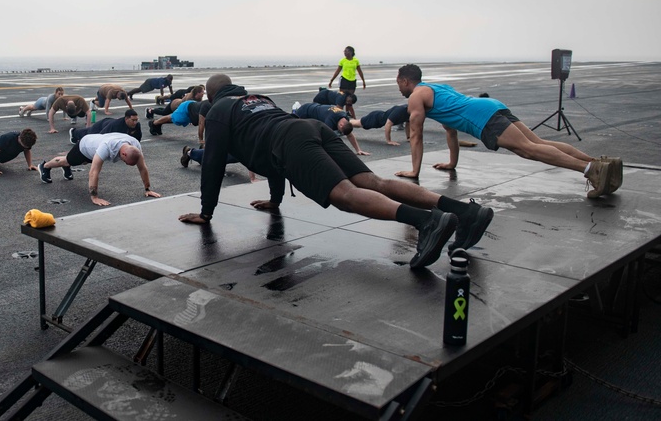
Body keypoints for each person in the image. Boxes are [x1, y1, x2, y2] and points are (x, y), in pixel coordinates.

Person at [179, 74, 496, 270]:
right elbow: (269, 153)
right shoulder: (258, 99)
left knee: (346, 195)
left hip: (289, 140)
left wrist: (206, 213)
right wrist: (275, 199)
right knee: (372, 182)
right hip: (312, 127)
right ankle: (464, 214)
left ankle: (427, 222)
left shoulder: (219, 109)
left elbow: (213, 162)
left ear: (209, 94)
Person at [395, 64, 621, 198]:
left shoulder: (416, 97)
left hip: (483, 117)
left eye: (399, 83)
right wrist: (452, 164)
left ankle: (591, 169)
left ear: (405, 80)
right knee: (538, 143)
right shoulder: (437, 88)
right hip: (492, 105)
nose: (399, 88)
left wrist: (414, 171)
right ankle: (602, 165)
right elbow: (450, 132)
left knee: (529, 150)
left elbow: (416, 135)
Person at [37, 133, 161, 206]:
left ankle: (65, 167)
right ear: (123, 155)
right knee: (68, 160)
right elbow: (93, 172)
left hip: (96, 145)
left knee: (80, 162)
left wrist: (148, 189)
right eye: (127, 163)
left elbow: (142, 168)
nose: (127, 165)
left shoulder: (135, 146)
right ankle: (45, 166)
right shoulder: (106, 147)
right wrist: (94, 197)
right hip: (85, 147)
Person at [293, 102, 369, 155]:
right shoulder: (330, 120)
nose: (339, 132)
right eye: (340, 131)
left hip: (316, 109)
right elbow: (324, 138)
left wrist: (358, 150)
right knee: (295, 126)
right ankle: (295, 110)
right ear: (341, 125)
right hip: (306, 111)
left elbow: (350, 135)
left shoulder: (345, 118)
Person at [327, 46, 366, 117]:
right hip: (344, 81)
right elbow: (337, 71)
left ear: (351, 52)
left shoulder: (356, 61)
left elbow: (360, 71)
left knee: (349, 100)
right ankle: (339, 115)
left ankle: (349, 114)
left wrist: (363, 81)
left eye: (346, 51)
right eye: (344, 51)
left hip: (352, 82)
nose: (345, 52)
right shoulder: (342, 61)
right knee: (341, 98)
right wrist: (331, 80)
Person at [70, 109, 142, 144]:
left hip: (110, 122)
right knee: (89, 134)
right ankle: (74, 132)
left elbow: (137, 138)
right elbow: (101, 137)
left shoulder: (137, 125)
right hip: (103, 125)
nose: (135, 122)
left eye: (136, 120)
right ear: (126, 119)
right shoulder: (116, 125)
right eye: (133, 120)